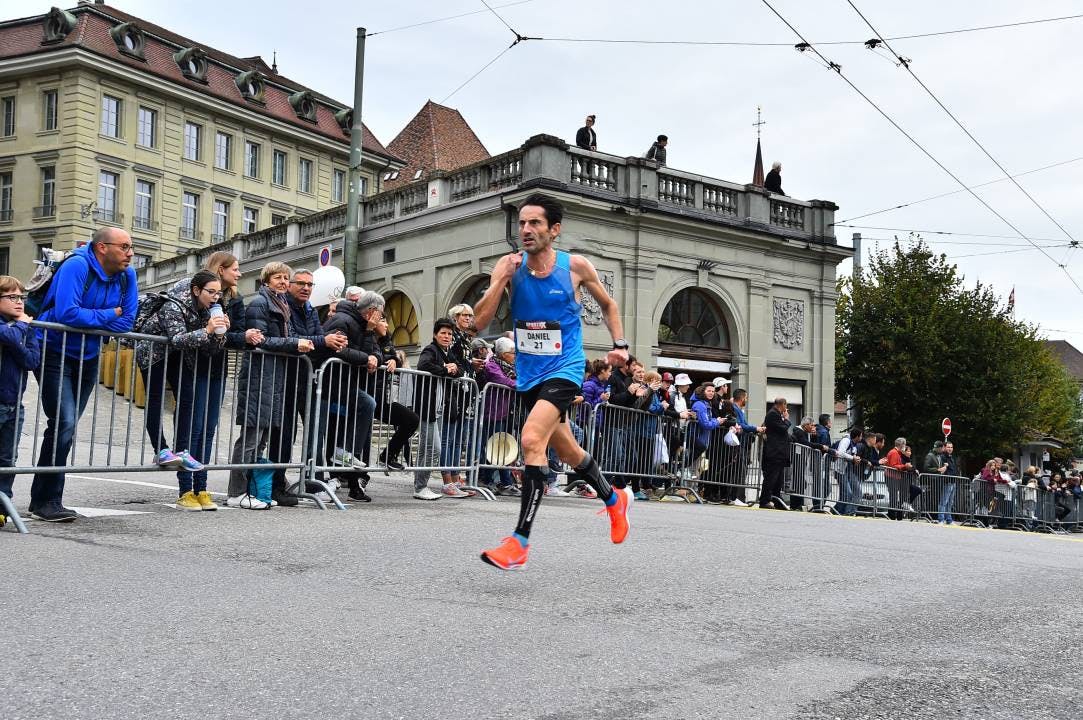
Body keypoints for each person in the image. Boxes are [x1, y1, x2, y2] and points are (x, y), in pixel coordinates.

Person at [474, 192, 633, 570]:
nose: (526, 230)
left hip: (566, 366)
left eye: (535, 223)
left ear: (554, 230)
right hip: (529, 374)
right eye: (522, 224)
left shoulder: (575, 266)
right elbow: (479, 322)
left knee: (530, 440)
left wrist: (620, 345)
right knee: (569, 452)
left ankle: (519, 541)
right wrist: (501, 282)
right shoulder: (507, 266)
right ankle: (614, 500)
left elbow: (609, 305)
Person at [31, 227, 138, 521]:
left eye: (131, 247)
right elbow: (66, 313)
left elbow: (128, 320)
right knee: (63, 422)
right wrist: (108, 315)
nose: (131, 253)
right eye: (125, 247)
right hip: (54, 350)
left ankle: (44, 499)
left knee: (65, 427)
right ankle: (47, 500)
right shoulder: (77, 265)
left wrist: (102, 319)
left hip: (88, 355)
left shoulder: (127, 274)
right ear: (102, 248)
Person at [137, 271, 238, 510]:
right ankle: (160, 449)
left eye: (217, 292)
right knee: (155, 398)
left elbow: (210, 349)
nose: (215, 297)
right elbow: (178, 338)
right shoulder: (173, 305)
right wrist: (208, 330)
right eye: (210, 292)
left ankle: (182, 452)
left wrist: (220, 333)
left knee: (188, 399)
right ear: (196, 291)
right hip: (153, 352)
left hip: (180, 358)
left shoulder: (208, 310)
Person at [227, 262, 315, 509]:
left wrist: (294, 343)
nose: (284, 282)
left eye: (286, 278)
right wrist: (294, 344)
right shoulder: (260, 303)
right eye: (278, 277)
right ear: (266, 280)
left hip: (273, 375)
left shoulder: (281, 304)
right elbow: (260, 340)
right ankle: (237, 492)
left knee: (262, 439)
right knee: (251, 438)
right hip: (259, 375)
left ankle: (253, 490)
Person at [316, 294, 380, 502]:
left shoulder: (363, 325)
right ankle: (316, 480)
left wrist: (370, 342)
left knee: (366, 404)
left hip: (343, 384)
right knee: (319, 435)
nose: (381, 317)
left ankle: (345, 455)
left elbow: (372, 353)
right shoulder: (342, 320)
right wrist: (366, 357)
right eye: (380, 312)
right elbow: (339, 348)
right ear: (371, 311)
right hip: (328, 384)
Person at [0, 276, 41, 527]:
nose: (19, 302)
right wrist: (19, 330)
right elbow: (5, 334)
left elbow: (31, 361)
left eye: (21, 298)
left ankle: (2, 506)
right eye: (11, 297)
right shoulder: (20, 326)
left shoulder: (24, 327)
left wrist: (18, 333)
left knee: (7, 459)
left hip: (14, 403)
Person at [412, 318, 465, 499]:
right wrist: (446, 369)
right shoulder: (430, 349)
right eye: (443, 333)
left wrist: (453, 368)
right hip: (428, 406)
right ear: (435, 334)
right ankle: (420, 488)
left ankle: (420, 486)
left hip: (440, 408)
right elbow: (424, 365)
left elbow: (460, 370)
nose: (447, 336)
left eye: (449, 333)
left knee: (427, 448)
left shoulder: (447, 352)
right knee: (433, 448)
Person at [476, 336, 520, 496]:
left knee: (503, 447)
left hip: (507, 412)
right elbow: (503, 380)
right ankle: (486, 480)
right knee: (492, 447)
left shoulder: (511, 366)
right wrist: (521, 385)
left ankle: (505, 483)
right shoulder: (492, 366)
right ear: (502, 354)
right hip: (493, 412)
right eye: (512, 352)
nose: (515, 355)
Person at [757, 397, 791, 509]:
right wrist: (786, 419)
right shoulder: (772, 414)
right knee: (771, 478)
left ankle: (777, 501)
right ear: (782, 404)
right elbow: (782, 428)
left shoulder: (776, 414)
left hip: (779, 453)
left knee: (778, 480)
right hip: (775, 452)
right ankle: (764, 500)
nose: (786, 409)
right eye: (786, 406)